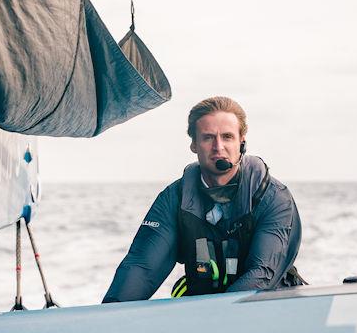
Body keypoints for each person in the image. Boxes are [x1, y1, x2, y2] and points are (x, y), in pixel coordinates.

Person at [103, 96, 304, 303]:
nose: (218, 147)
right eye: (208, 137)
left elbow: (261, 274)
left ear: (242, 142)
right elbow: (142, 269)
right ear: (194, 144)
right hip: (204, 311)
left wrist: (216, 318)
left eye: (227, 137)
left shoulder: (273, 197)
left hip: (268, 307)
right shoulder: (174, 198)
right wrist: (106, 318)